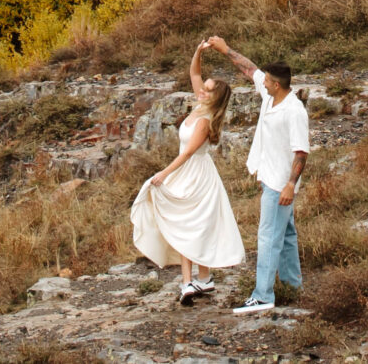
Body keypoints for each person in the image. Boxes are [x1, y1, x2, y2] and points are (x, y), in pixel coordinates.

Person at [130, 39, 244, 305]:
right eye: (203, 89)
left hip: (197, 175)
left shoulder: (205, 120)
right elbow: (194, 73)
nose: (201, 91)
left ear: (214, 97)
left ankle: (188, 282)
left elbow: (188, 153)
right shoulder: (201, 106)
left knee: (189, 224)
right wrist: (197, 52)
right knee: (189, 224)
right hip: (189, 171)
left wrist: (163, 174)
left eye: (207, 90)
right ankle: (201, 279)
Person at [202, 35, 307, 313]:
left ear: (278, 84)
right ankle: (293, 286)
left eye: (268, 80)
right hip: (269, 177)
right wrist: (226, 50)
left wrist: (289, 186)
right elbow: (250, 69)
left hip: (279, 184)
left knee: (268, 236)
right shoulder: (270, 96)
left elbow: (301, 153)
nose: (264, 82)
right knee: (285, 235)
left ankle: (263, 295)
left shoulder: (294, 111)